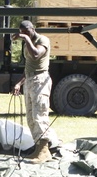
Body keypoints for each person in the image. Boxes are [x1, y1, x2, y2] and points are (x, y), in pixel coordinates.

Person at [11, 19, 60, 163]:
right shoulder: (28, 43)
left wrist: (25, 38)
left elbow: (36, 55)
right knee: (31, 118)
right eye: (22, 33)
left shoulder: (42, 39)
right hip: (30, 80)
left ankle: (44, 150)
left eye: (27, 32)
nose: (25, 34)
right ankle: (39, 149)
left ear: (33, 29)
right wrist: (19, 83)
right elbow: (29, 66)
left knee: (40, 115)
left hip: (40, 80)